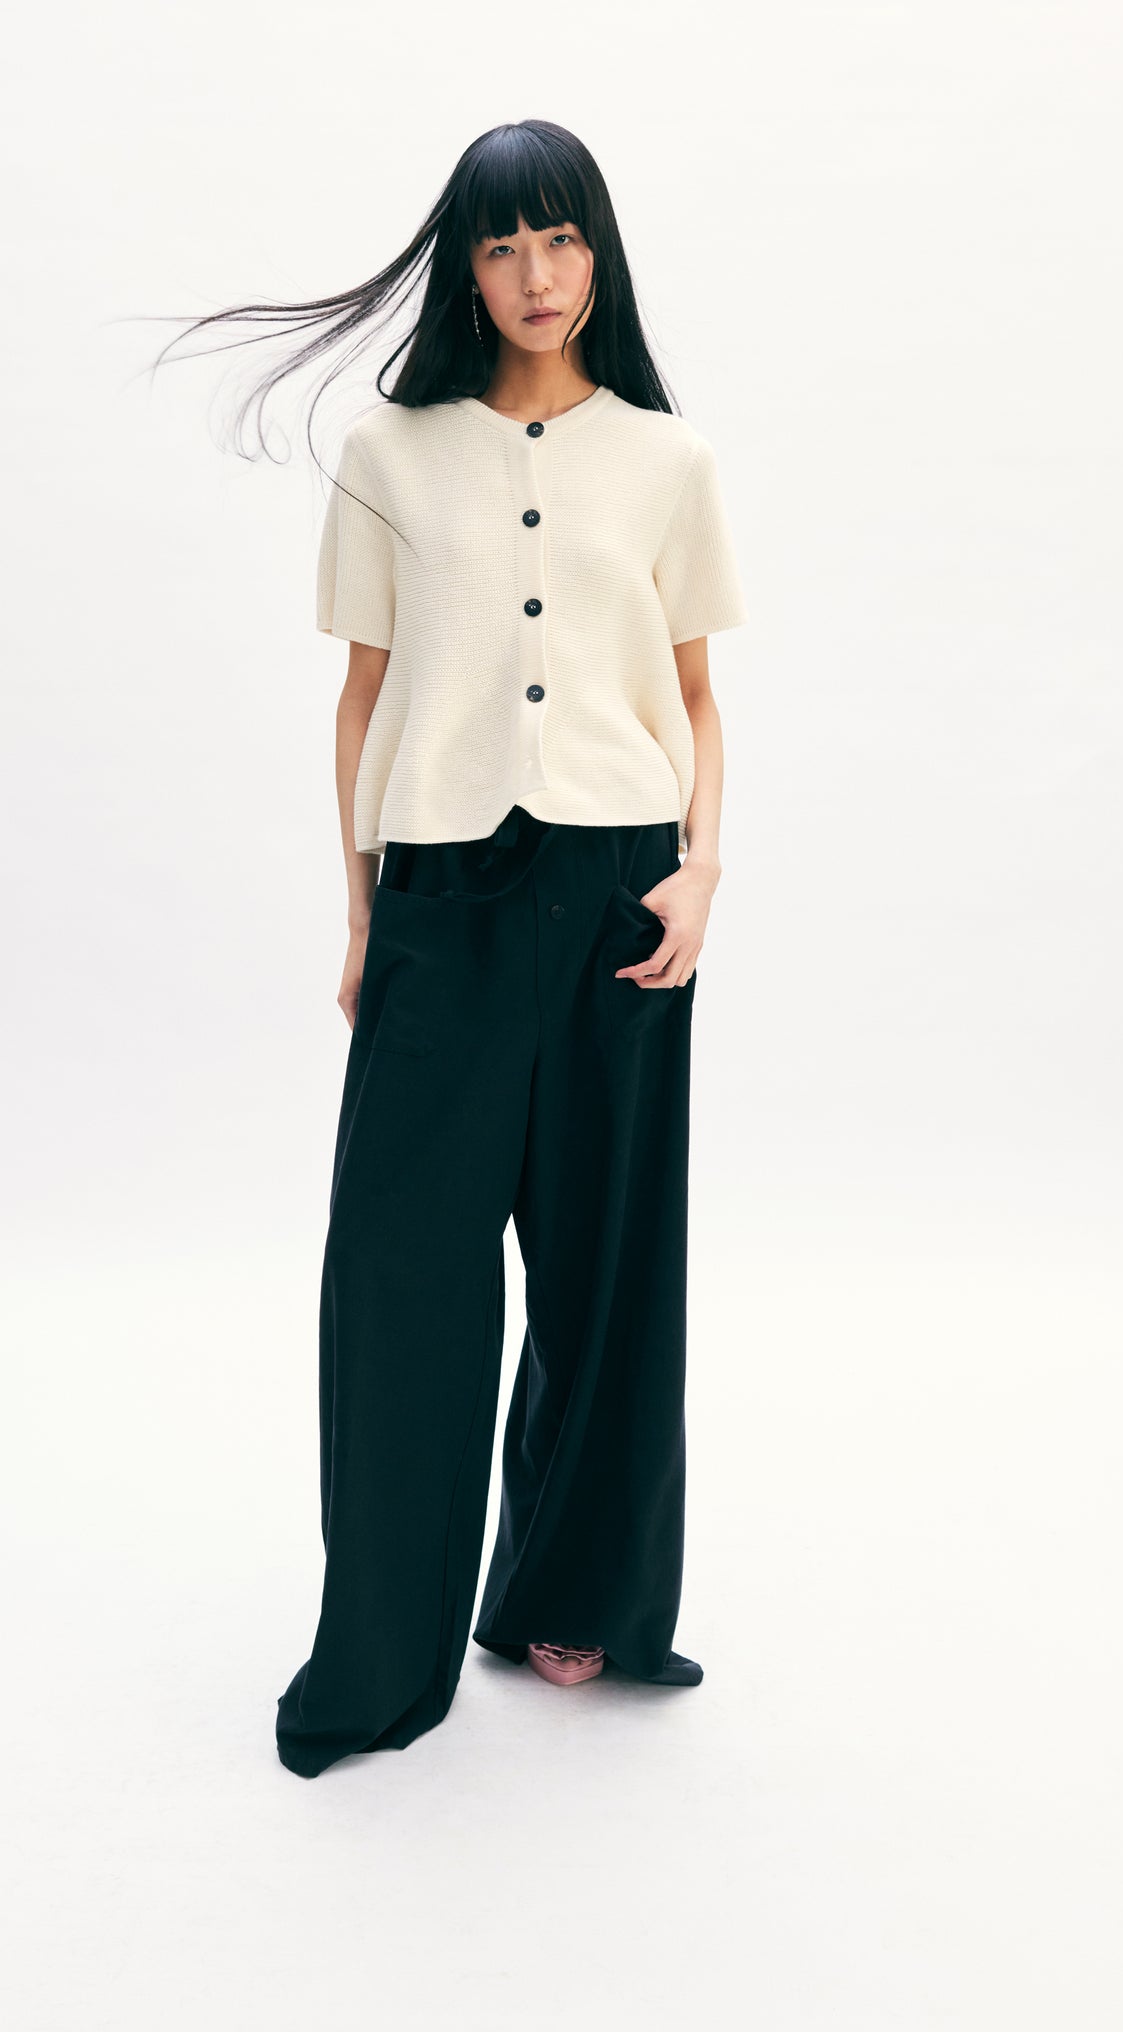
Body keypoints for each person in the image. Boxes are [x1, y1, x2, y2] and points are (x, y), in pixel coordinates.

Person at [164, 118, 749, 1778]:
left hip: (622, 888)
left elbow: (696, 695)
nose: (535, 276)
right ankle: (378, 1652)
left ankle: (575, 1598)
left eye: (560, 240)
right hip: (442, 889)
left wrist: (702, 873)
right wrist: (363, 911)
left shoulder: (668, 459)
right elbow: (361, 695)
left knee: (604, 1265)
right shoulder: (390, 452)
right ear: (464, 270)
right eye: (501, 246)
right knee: (400, 1274)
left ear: (597, 253)